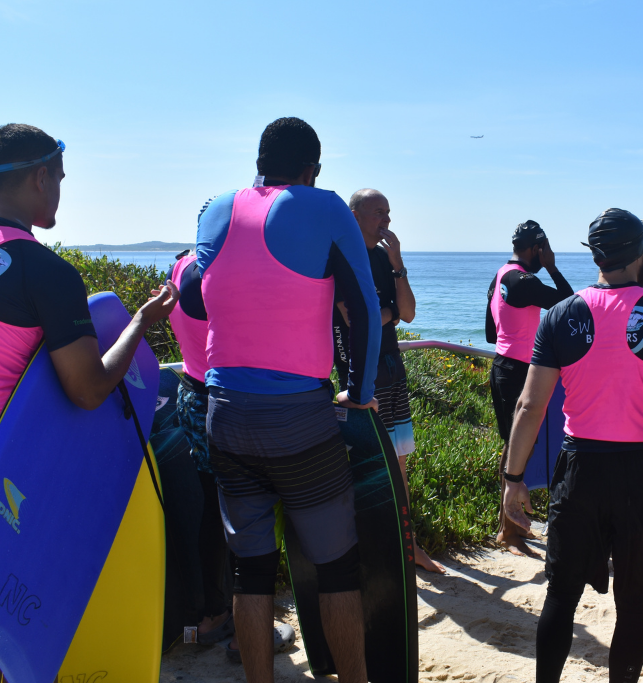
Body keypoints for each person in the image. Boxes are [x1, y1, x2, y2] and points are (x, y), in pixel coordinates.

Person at [0, 124, 178, 683]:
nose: (61, 193)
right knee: (12, 616)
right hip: (13, 460)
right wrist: (141, 323)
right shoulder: (46, 272)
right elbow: (88, 389)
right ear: (40, 177)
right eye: (61, 180)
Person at [196, 117, 381, 683]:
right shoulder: (324, 207)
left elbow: (196, 297)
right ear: (311, 170)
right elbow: (364, 307)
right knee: (337, 568)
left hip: (225, 414)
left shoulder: (214, 210)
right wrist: (360, 393)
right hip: (299, 421)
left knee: (250, 573)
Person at [501, 208, 643, 683]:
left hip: (581, 471)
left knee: (561, 595)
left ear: (595, 256)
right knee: (633, 607)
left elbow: (529, 406)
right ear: (641, 254)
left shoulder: (562, 315)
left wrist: (513, 479)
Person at [331, 188, 444, 574]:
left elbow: (408, 312)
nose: (387, 220)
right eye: (378, 212)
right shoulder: (341, 259)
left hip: (393, 368)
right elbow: (356, 321)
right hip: (361, 376)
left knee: (399, 463)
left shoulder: (383, 258)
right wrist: (389, 311)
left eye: (389, 212)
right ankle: (374, 551)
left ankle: (408, 545)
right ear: (354, 215)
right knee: (369, 467)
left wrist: (398, 265)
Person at [485, 220, 573, 556]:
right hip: (518, 371)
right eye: (545, 250)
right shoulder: (525, 280)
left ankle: (512, 525)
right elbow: (568, 303)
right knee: (517, 446)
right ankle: (508, 532)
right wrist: (552, 267)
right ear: (537, 249)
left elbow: (491, 332)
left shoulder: (501, 275)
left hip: (502, 366)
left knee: (515, 444)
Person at [165, 250, 237, 652]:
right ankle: (236, 615)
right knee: (244, 508)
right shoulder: (221, 275)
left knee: (212, 509)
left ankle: (214, 611)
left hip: (191, 395)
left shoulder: (180, 265)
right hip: (226, 403)